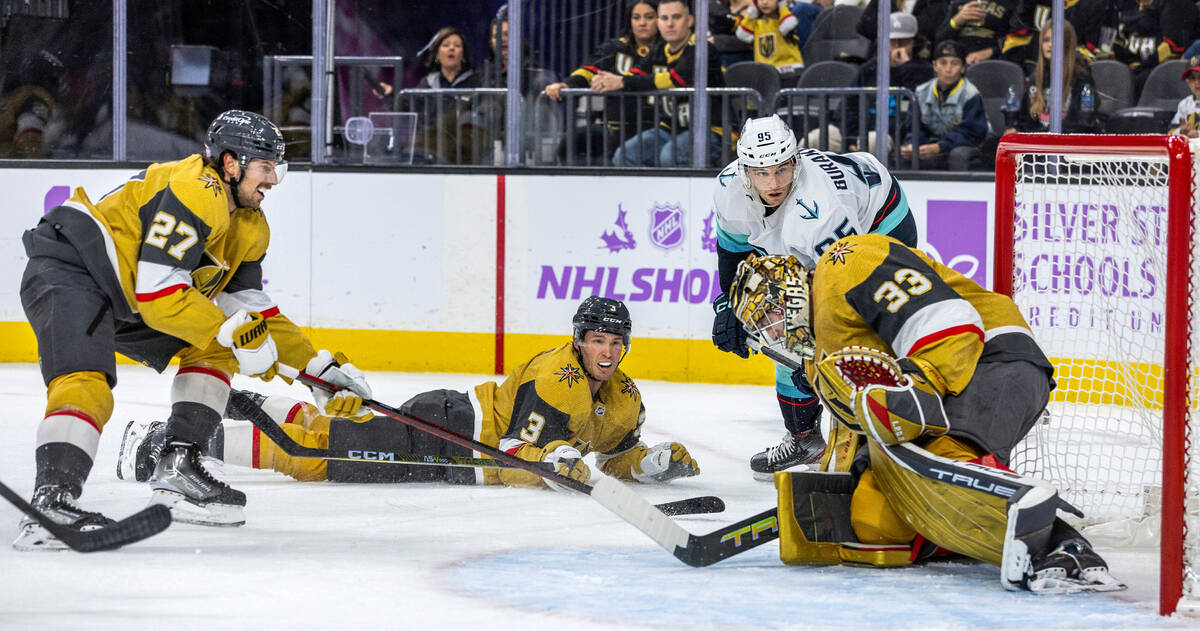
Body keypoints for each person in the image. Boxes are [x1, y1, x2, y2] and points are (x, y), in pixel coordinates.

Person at [13, 110, 373, 550]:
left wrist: (318, 369)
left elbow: (253, 310)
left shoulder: (250, 225)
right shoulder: (192, 189)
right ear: (230, 163)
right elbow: (161, 297)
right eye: (265, 166)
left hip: (128, 294)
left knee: (216, 349)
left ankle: (179, 467)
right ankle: (52, 504)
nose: (274, 179)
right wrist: (235, 334)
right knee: (87, 384)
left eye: (278, 167)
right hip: (72, 270)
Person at [728, 243, 1125, 593]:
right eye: (762, 326)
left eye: (770, 315)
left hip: (989, 358)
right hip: (941, 386)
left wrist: (917, 386)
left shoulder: (845, 263)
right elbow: (858, 425)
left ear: (792, 289)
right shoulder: (820, 351)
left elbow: (950, 320)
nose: (772, 330)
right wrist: (844, 485)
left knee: (944, 461)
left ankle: (1066, 549)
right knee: (874, 520)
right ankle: (962, 533)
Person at [116, 297, 701, 491]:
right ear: (578, 342)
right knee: (313, 456)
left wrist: (645, 463)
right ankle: (166, 442)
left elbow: (604, 454)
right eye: (595, 340)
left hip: (453, 444)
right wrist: (555, 464)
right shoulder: (558, 378)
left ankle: (245, 406)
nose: (605, 351)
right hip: (450, 433)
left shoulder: (624, 395)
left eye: (614, 343)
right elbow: (520, 460)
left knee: (324, 437)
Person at [710, 114, 918, 480]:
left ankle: (882, 436)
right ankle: (804, 439)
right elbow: (732, 251)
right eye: (761, 172)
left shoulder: (819, 210)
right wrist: (727, 304)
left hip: (878, 219)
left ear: (795, 160)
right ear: (745, 171)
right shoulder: (728, 188)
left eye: (781, 169)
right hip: (817, 241)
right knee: (783, 324)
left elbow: (848, 291)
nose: (773, 183)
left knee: (852, 331)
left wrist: (818, 357)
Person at [600, 0, 728, 167]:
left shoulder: (702, 49)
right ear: (658, 22)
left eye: (676, 17)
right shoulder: (659, 50)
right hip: (670, 128)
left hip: (711, 130)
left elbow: (675, 80)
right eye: (664, 18)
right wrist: (608, 80)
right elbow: (635, 74)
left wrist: (622, 81)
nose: (670, 24)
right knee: (624, 155)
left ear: (689, 20)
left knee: (669, 155)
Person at [543, 0, 662, 165]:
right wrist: (566, 85)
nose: (642, 23)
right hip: (616, 128)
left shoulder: (669, 50)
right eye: (636, 17)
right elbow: (589, 70)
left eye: (649, 17)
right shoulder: (615, 48)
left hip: (657, 127)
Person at [806, 12, 934, 152]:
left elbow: (916, 114)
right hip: (858, 133)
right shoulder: (870, 68)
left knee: (874, 141)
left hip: (893, 138)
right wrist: (852, 139)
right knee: (814, 138)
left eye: (903, 41)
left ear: (914, 42)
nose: (897, 46)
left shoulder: (924, 70)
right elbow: (848, 106)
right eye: (892, 41)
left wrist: (905, 66)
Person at [901, 40, 991, 170]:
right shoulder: (920, 92)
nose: (948, 69)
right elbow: (913, 127)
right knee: (907, 154)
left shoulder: (971, 95)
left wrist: (940, 147)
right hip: (932, 144)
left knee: (958, 155)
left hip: (962, 146)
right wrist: (914, 145)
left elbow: (972, 134)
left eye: (954, 63)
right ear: (935, 66)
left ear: (963, 68)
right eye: (943, 63)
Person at [1004, 22, 1098, 134]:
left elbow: (1082, 123)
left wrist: (1040, 134)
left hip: (1070, 144)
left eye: (1055, 40)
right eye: (1046, 40)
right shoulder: (1036, 77)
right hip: (1039, 144)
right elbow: (1027, 122)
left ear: (1067, 43)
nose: (1049, 45)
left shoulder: (1082, 76)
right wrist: (1017, 130)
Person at [414, 26, 483, 165]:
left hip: (466, 152)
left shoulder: (477, 83)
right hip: (431, 150)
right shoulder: (427, 83)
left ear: (463, 55)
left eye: (457, 46)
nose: (452, 48)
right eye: (446, 45)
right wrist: (390, 94)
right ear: (437, 55)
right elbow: (410, 109)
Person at [1112, 0, 1198, 92]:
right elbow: (1120, 40)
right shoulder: (1128, 5)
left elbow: (1173, 48)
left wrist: (1140, 67)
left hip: (1162, 71)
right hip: (1133, 68)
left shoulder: (1178, 4)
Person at [936, 0, 1022, 65]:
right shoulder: (957, 3)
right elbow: (939, 40)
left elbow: (1016, 42)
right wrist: (956, 21)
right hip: (957, 63)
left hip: (993, 63)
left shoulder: (1011, 5)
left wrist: (991, 52)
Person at [735, 0, 806, 76]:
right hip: (765, 73)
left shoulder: (788, 17)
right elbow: (742, 35)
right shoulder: (755, 23)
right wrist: (752, 14)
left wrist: (782, 6)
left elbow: (787, 27)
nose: (764, 2)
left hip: (789, 71)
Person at [1168, 56, 1200, 138]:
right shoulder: (1184, 104)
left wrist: (1198, 135)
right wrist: (1181, 131)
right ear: (1187, 81)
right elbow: (1170, 132)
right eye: (1192, 78)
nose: (1197, 82)